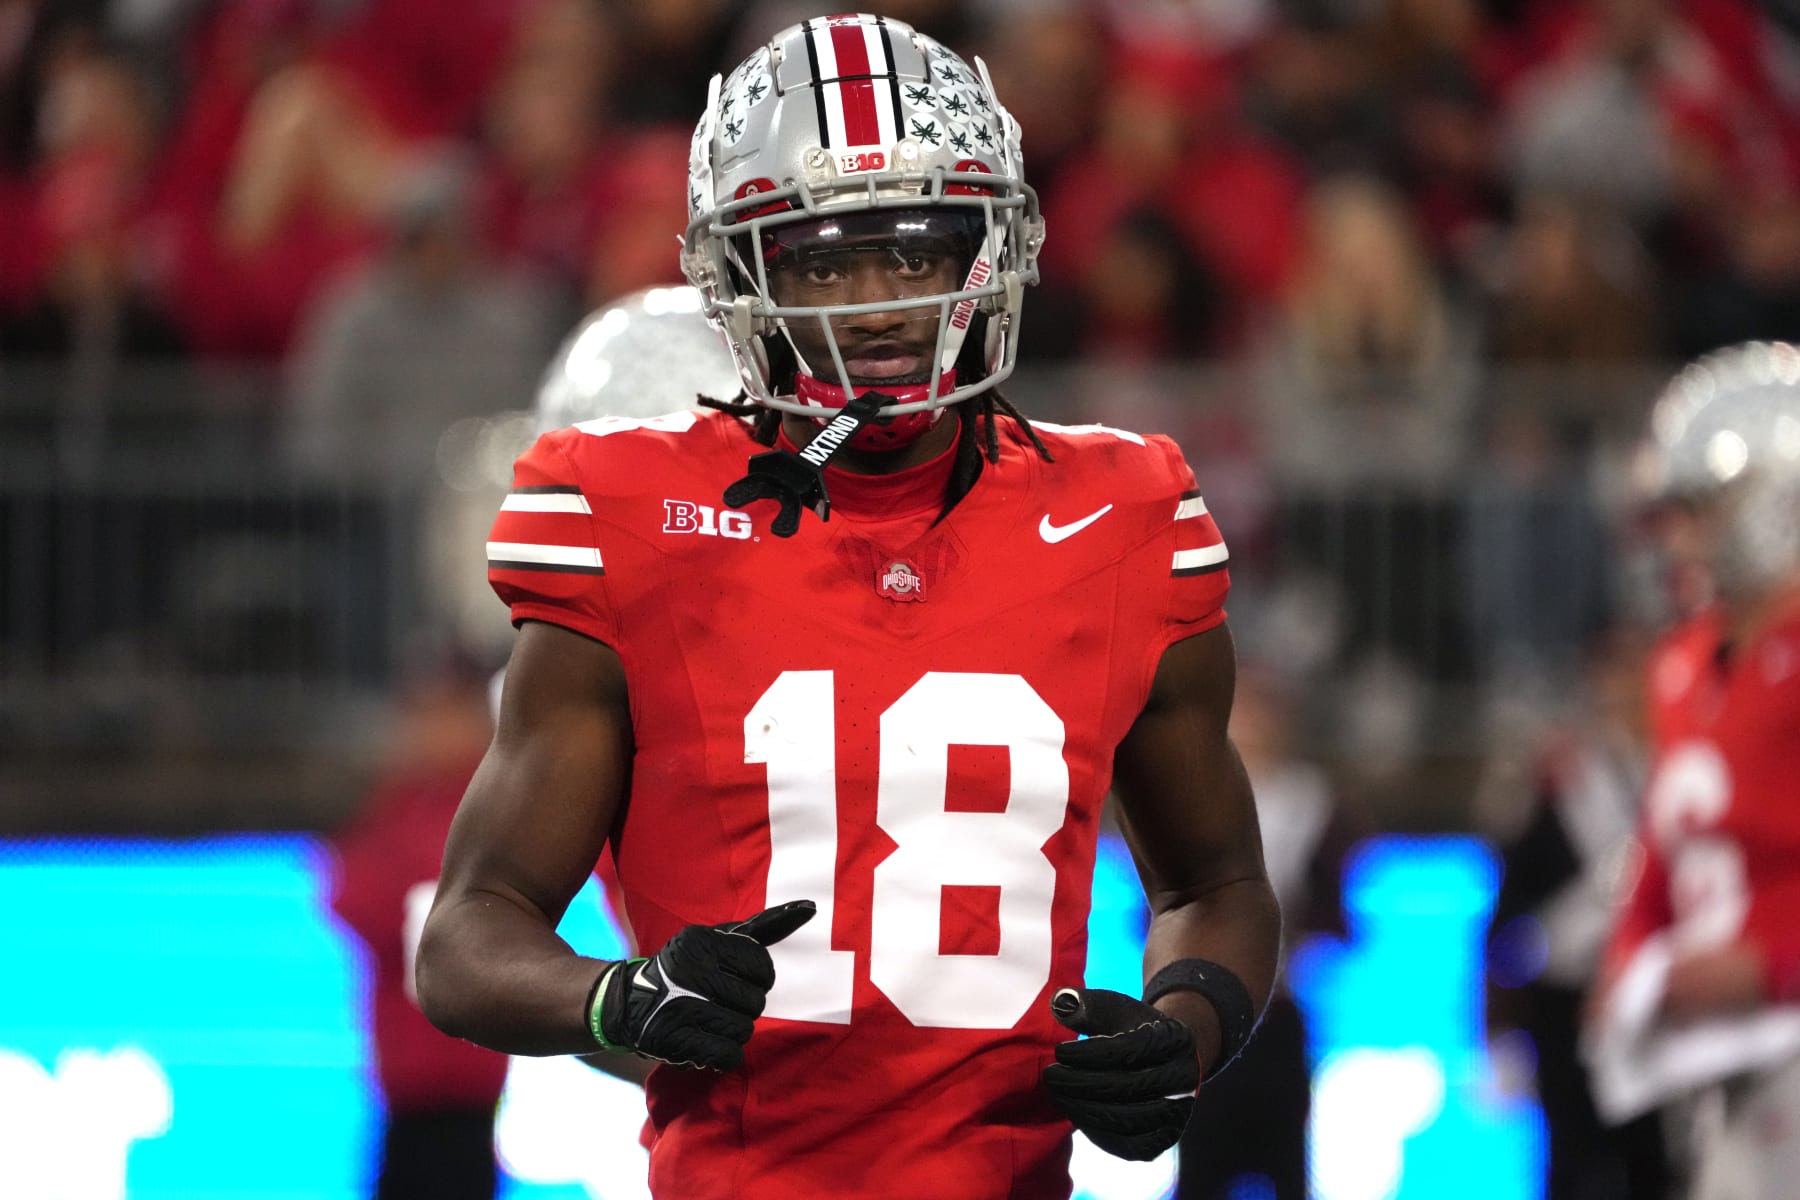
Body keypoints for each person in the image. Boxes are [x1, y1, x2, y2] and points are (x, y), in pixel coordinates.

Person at [416, 14, 1282, 1199]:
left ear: (994, 252)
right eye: (823, 259)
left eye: (918, 251)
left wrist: (1184, 1032)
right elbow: (468, 933)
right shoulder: (625, 513)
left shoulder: (1123, 516)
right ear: (740, 273)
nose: (875, 304)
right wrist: (620, 998)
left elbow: (1218, 887)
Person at [1584, 341, 1800, 1200]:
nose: (1676, 538)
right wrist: (1631, 958)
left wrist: (1777, 960)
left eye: (1700, 510)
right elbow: (1664, 846)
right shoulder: (1682, 663)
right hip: (1716, 1051)